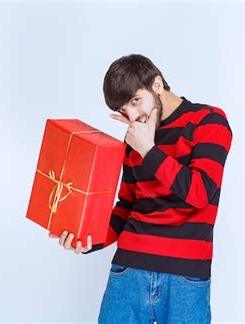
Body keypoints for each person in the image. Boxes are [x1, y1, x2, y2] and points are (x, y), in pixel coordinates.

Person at [48, 54, 233, 323]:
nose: (133, 115)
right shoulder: (135, 137)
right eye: (124, 110)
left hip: (186, 277)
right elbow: (126, 207)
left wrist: (148, 149)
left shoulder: (209, 122)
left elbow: (200, 193)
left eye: (136, 100)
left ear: (157, 84)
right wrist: (87, 238)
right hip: (129, 269)